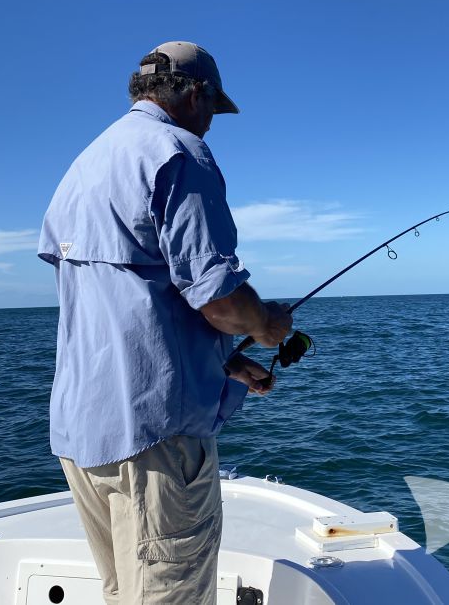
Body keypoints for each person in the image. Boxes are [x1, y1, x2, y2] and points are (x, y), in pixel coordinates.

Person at [37, 41, 293, 605]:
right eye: (212, 109)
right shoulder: (180, 153)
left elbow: (127, 303)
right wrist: (267, 324)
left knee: (123, 593)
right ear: (195, 93)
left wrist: (227, 362)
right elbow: (218, 298)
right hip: (156, 437)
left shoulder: (84, 165)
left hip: (82, 434)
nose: (210, 124)